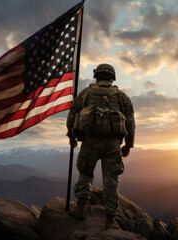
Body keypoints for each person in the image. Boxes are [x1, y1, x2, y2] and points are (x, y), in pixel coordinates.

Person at [66, 63, 135, 229]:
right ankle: (110, 220)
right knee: (111, 180)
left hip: (90, 142)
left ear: (96, 75)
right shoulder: (121, 96)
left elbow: (73, 113)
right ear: (112, 77)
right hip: (112, 144)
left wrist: (71, 135)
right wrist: (129, 144)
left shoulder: (86, 93)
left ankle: (81, 208)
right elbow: (130, 122)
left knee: (85, 173)